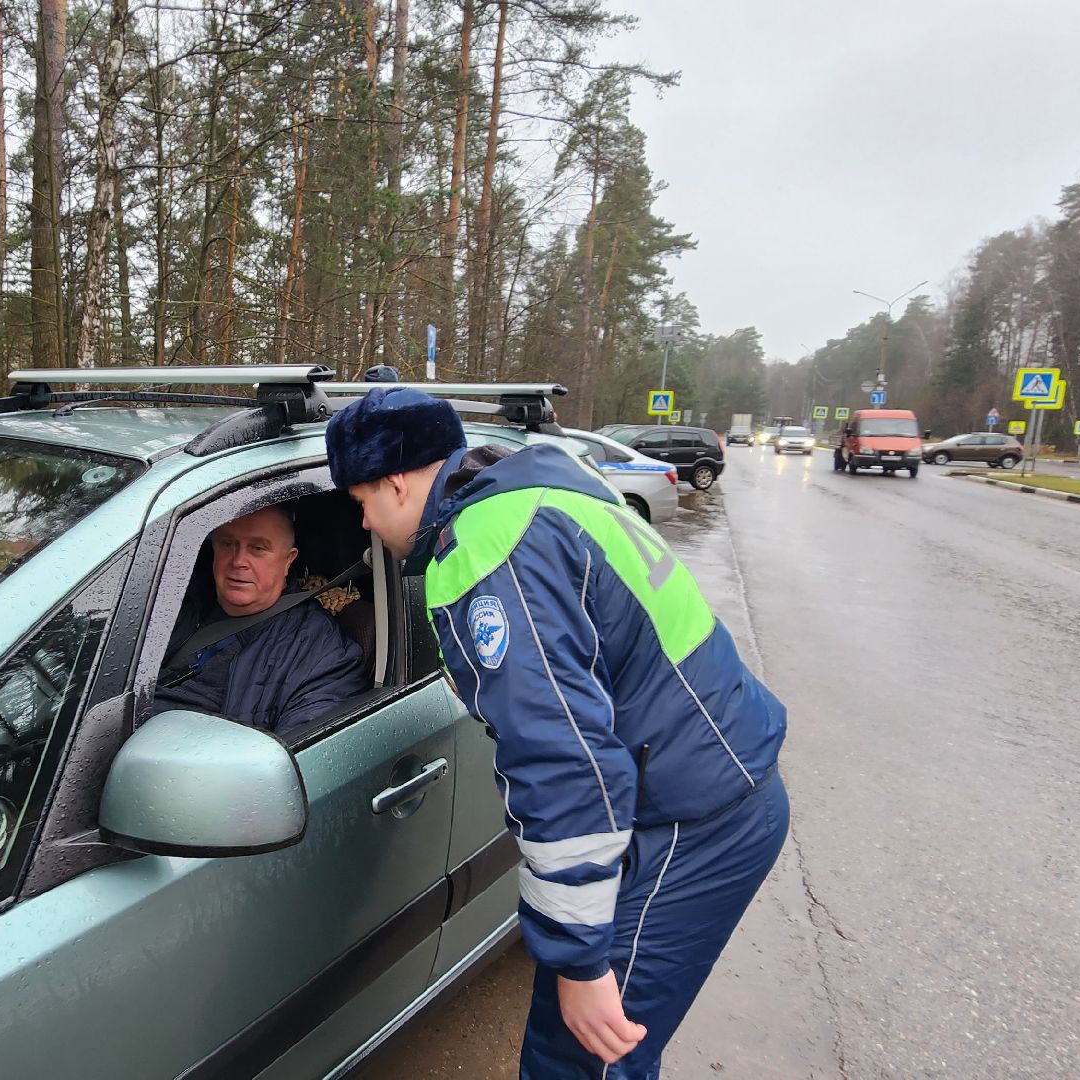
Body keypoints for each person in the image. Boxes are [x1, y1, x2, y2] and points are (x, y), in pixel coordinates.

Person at [325, 387, 789, 1079]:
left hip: (688, 825)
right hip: (713, 777)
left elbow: (567, 766)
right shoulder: (536, 489)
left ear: (395, 480)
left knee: (580, 1062)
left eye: (360, 501)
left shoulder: (487, 556)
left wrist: (579, 958)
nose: (362, 522)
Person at [152, 506, 366, 739]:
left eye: (258, 548)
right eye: (227, 544)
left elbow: (293, 759)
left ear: (288, 560)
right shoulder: (170, 601)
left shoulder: (319, 654)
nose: (239, 561)